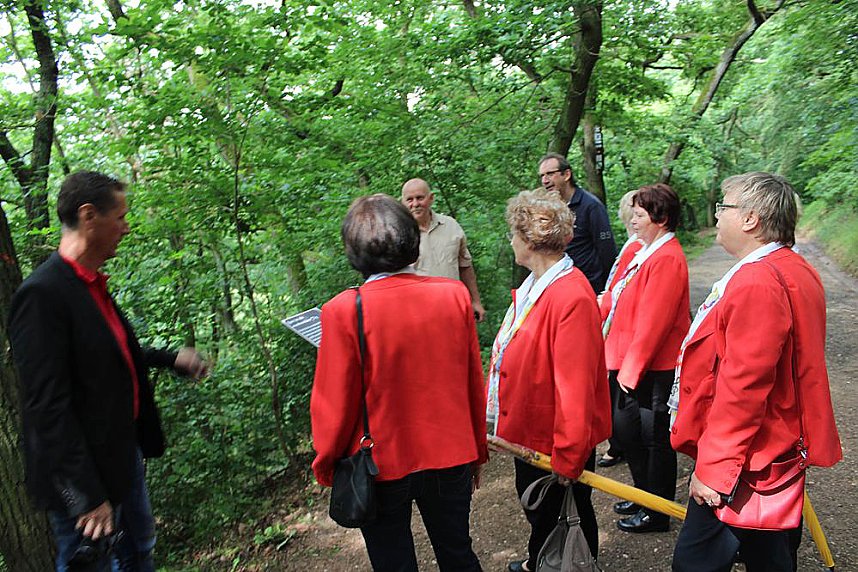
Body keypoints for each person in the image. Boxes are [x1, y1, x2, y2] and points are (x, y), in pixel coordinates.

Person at [8, 171, 207, 571]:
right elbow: (47, 407)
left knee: (139, 553)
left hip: (121, 455)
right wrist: (85, 496)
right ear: (88, 216)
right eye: (120, 217)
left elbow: (108, 355)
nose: (126, 228)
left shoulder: (90, 286)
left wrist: (170, 359)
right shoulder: (43, 295)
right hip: (85, 475)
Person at [670, 172, 842, 571]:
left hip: (750, 459)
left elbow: (743, 387)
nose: (716, 216)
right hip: (774, 448)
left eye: (723, 207)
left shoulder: (757, 280)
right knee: (771, 557)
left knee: (694, 563)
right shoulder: (792, 267)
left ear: (751, 219)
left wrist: (714, 470)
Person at [311, 193, 487, 571]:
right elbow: (472, 380)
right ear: (411, 239)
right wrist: (476, 447)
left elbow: (334, 403)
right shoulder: (453, 295)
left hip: (380, 463)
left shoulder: (343, 310)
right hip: (451, 453)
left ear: (354, 250)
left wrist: (327, 462)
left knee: (393, 563)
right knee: (458, 554)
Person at [488, 189, 610, 572]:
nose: (511, 240)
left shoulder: (569, 295)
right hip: (534, 434)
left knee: (567, 514)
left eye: (513, 233)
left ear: (529, 240)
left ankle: (570, 564)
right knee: (547, 515)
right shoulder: (537, 286)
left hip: (553, 441)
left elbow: (576, 387)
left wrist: (569, 455)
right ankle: (543, 561)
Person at [599, 183, 689, 533]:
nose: (632, 221)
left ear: (660, 219)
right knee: (630, 435)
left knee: (654, 441)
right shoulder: (647, 252)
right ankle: (642, 496)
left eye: (639, 215)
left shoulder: (667, 258)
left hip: (652, 367)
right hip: (630, 362)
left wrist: (630, 371)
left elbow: (655, 322)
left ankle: (657, 511)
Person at [597, 190, 644, 469]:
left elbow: (622, 290)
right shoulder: (632, 245)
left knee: (621, 401)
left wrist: (604, 301)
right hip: (617, 329)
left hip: (623, 333)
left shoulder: (637, 247)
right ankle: (619, 444)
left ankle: (620, 446)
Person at [401, 178, 485, 321]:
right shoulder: (398, 234)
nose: (415, 204)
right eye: (409, 199)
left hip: (453, 308)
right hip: (417, 313)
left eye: (420, 198)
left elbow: (465, 266)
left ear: (431, 198)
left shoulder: (451, 226)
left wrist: (475, 301)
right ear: (402, 202)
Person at [538, 153, 617, 294]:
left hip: (589, 287)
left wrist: (607, 291)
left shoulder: (591, 206)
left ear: (566, 175)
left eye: (550, 174)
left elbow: (607, 251)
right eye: (542, 176)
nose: (545, 180)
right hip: (558, 286)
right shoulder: (548, 208)